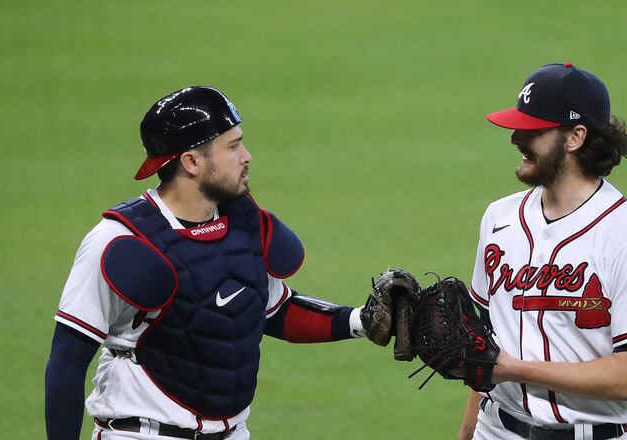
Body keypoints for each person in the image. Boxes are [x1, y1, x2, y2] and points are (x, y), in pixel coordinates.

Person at [45, 86, 390, 440]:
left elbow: (273, 309)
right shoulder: (119, 241)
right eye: (233, 146)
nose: (247, 156)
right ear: (191, 161)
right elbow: (68, 359)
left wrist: (360, 320)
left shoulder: (242, 223)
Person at [458, 63, 627, 440]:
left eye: (532, 129)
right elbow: (486, 352)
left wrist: (515, 369)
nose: (515, 138)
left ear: (575, 137)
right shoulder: (499, 218)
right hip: (496, 431)